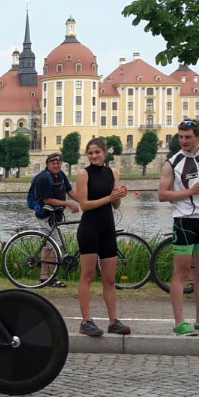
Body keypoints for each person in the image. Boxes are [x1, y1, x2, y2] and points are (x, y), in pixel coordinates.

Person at [158, 119, 199, 336]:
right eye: (180, 137)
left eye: (188, 137)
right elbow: (162, 194)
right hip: (184, 221)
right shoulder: (172, 162)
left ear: (198, 137)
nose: (183, 141)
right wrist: (190, 192)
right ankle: (179, 322)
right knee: (182, 272)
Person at [76, 138, 130, 337]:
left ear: (105, 153)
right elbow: (84, 205)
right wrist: (109, 198)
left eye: (97, 152)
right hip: (89, 229)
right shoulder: (84, 174)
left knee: (109, 279)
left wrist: (118, 196)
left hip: (108, 228)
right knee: (88, 276)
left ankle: (114, 321)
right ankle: (86, 321)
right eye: (90, 153)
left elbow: (115, 206)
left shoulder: (113, 172)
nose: (94, 156)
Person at [35, 153, 79, 288]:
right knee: (54, 247)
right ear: (48, 165)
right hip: (45, 214)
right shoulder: (43, 178)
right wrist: (69, 204)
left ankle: (45, 277)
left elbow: (70, 191)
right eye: (53, 163)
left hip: (55, 215)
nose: (56, 165)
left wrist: (85, 202)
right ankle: (50, 278)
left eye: (58, 163)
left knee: (51, 247)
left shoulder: (60, 175)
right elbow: (47, 200)